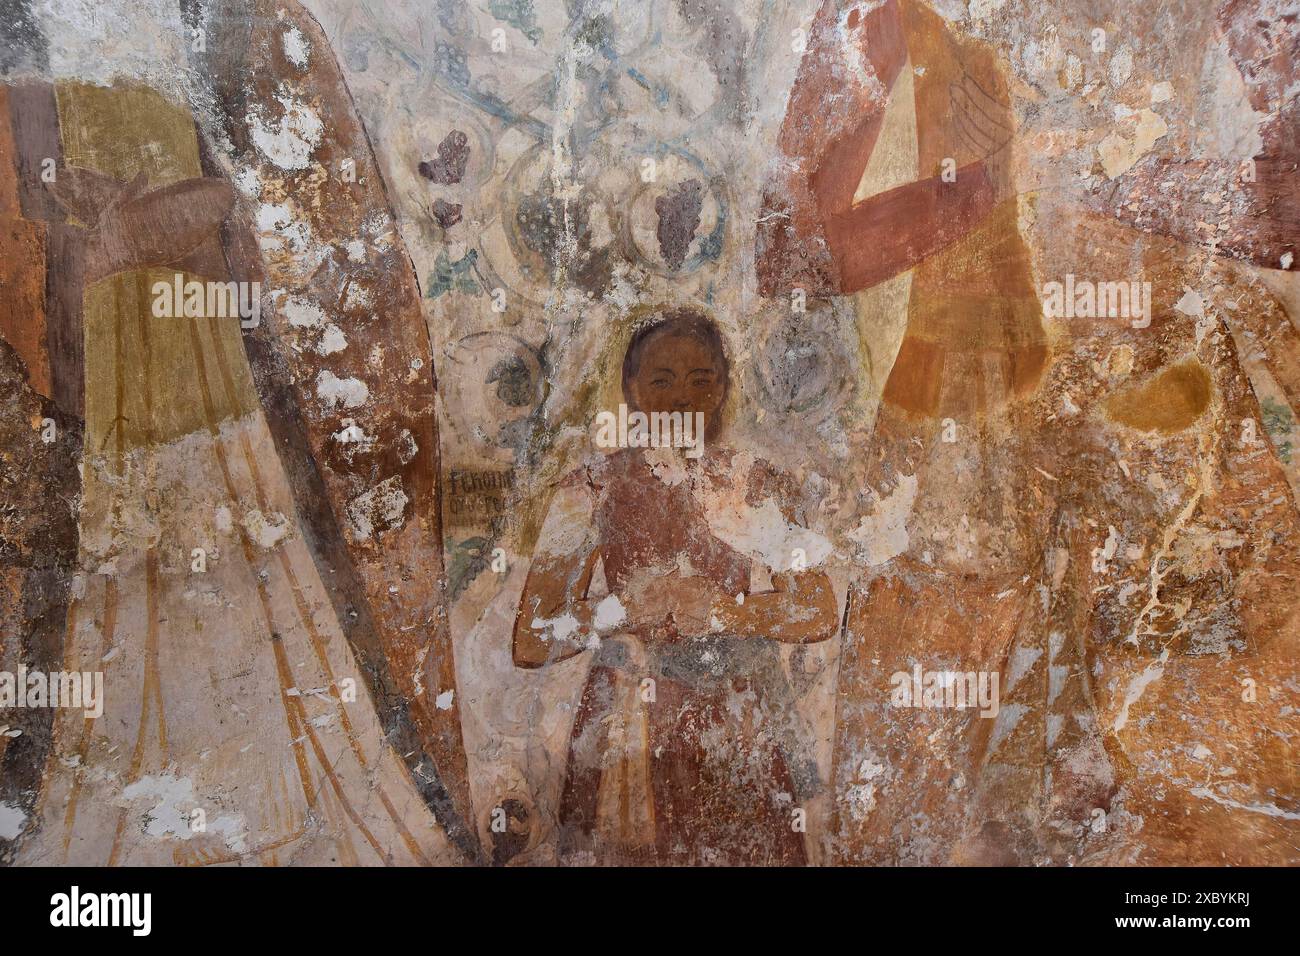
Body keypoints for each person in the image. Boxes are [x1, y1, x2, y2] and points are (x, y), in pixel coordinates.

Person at [513, 308, 839, 865]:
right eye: (662, 380)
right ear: (632, 389)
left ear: (723, 388)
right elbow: (531, 639)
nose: (682, 398)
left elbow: (818, 610)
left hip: (738, 721)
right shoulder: (589, 488)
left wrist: (723, 611)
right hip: (626, 722)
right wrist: (621, 609)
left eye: (700, 379)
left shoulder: (752, 482)